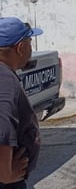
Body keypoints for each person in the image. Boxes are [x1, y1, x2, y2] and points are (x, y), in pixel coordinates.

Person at [0, 17, 43, 189]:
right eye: (30, 42)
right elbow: (2, 128)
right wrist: (5, 174)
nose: (31, 49)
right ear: (21, 47)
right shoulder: (5, 81)